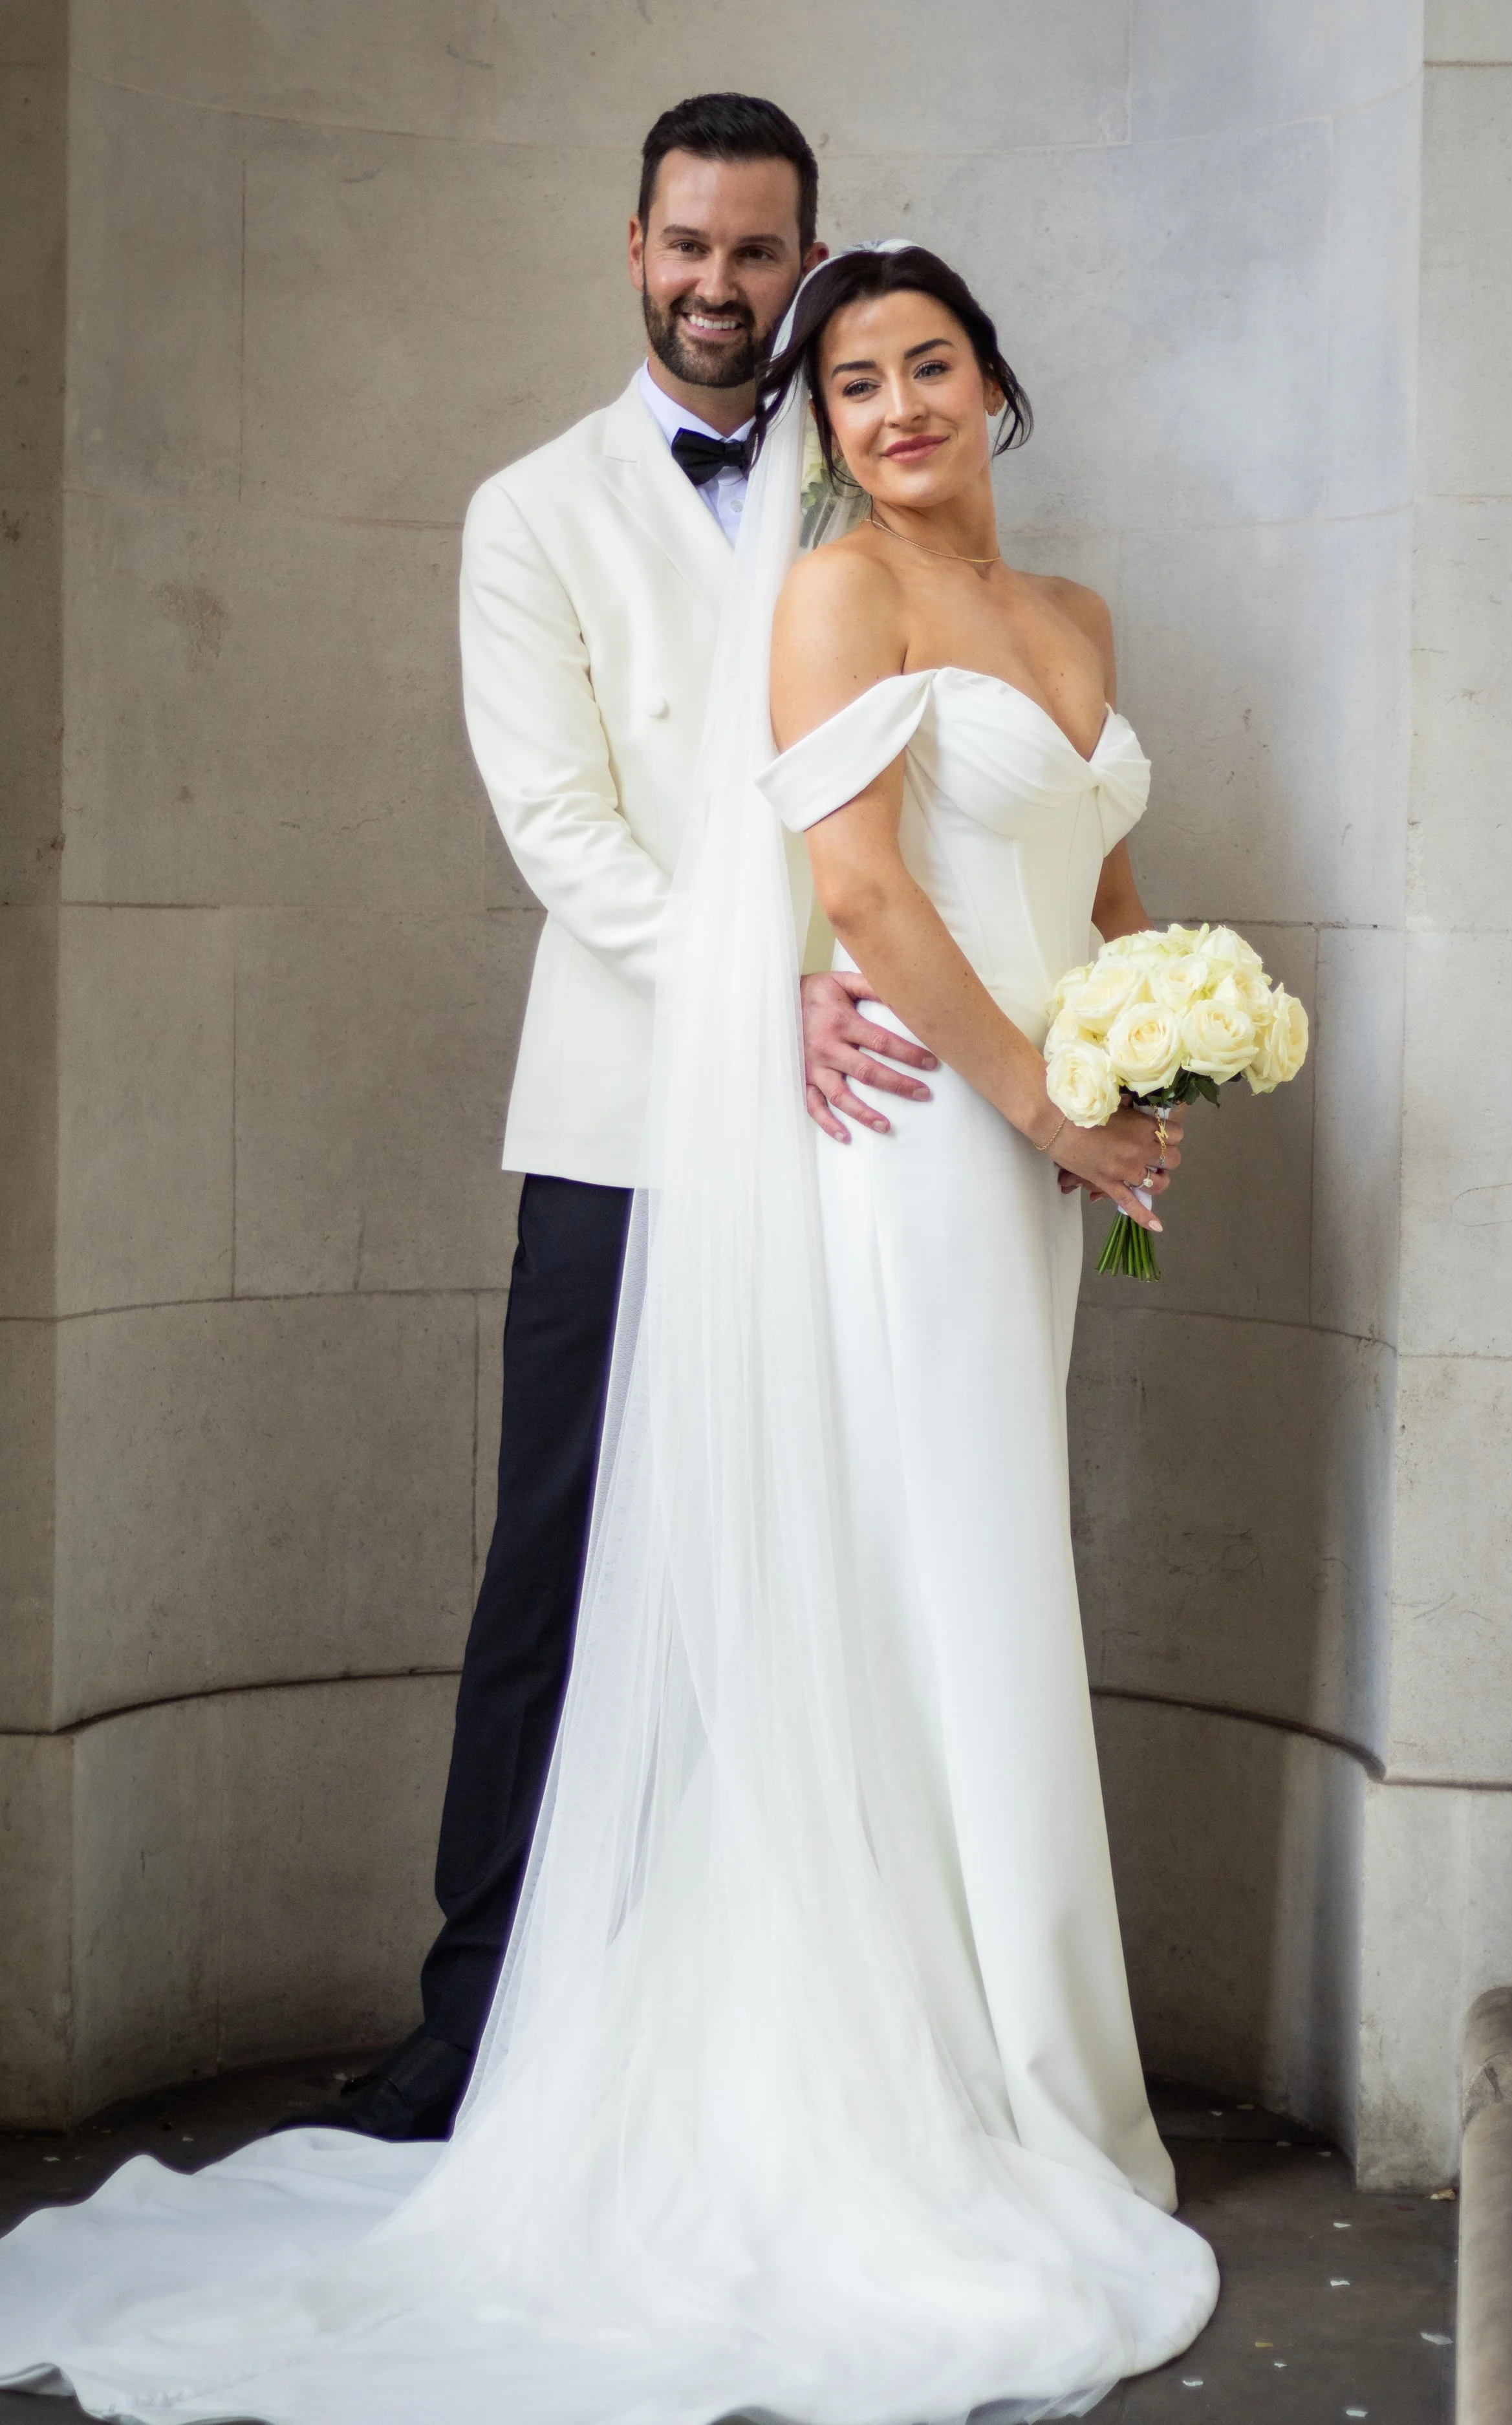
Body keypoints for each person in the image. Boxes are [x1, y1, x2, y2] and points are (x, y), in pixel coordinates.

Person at [0, 244, 1218, 2423]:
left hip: (1040, 1151)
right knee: (928, 1574)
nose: (896, 406)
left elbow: (1103, 876)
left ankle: (998, 2041)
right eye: (855, 383)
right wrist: (1042, 1104)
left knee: (970, 1572)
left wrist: (1153, 1046)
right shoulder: (837, 593)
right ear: (823, 427)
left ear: (993, 381)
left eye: (929, 364)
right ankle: (934, 2080)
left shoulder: (1079, 617)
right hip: (923, 1136)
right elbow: (863, 892)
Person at [330, 94, 936, 2143]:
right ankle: (476, 2007)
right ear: (633, 248)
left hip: (857, 1101)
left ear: (806, 262)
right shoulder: (533, 510)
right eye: (688, 245)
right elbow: (561, 827)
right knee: (561, 1554)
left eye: (757, 252)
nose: (717, 285)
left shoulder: (865, 470)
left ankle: (782, 2018)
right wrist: (756, 996)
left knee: (824, 1552)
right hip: (624, 1111)